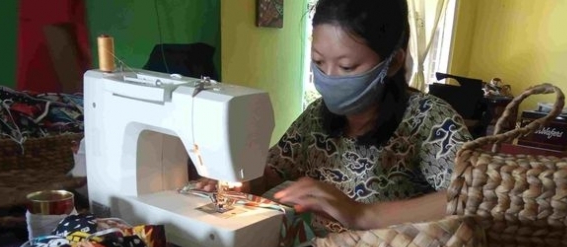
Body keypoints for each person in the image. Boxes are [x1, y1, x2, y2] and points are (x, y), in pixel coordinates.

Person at [199, 0, 471, 235]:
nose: (328, 77)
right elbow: (272, 171)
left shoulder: (430, 121)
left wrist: (364, 215)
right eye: (318, 62)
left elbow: (473, 197)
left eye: (346, 66)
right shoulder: (315, 119)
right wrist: (236, 181)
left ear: (394, 63)